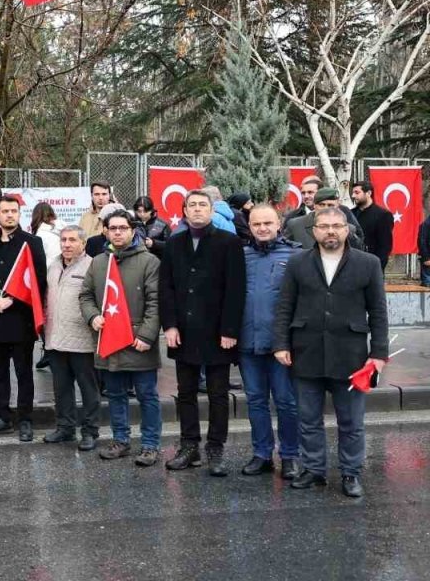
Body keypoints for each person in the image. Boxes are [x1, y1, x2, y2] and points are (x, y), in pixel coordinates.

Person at [274, 207, 388, 498]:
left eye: (337, 225)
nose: (331, 231)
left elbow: (378, 311)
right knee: (308, 418)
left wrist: (379, 353)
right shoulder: (298, 263)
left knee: (351, 421)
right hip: (305, 351)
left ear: (347, 229)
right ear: (314, 231)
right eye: (324, 226)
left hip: (351, 355)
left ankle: (351, 473)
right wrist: (281, 344)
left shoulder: (368, 263)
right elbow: (285, 306)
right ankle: (314, 469)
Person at [160, 190, 246, 477]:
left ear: (212, 210)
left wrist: (229, 329)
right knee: (185, 392)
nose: (197, 210)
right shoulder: (174, 243)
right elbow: (166, 288)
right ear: (184, 211)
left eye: (202, 205)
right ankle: (189, 445)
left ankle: (215, 447)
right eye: (192, 205)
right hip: (183, 330)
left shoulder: (229, 242)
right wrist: (169, 325)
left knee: (217, 393)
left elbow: (236, 289)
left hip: (218, 331)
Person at [80, 209, 163, 466]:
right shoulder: (98, 262)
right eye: (112, 228)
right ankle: (120, 439)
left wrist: (147, 335)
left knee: (147, 396)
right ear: (105, 231)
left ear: (132, 230)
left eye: (122, 228)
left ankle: (150, 444)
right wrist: (93, 316)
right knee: (115, 395)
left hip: (139, 342)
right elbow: (85, 296)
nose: (117, 232)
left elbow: (156, 302)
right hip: (110, 341)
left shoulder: (149, 262)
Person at [239, 205, 302, 479]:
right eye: (256, 224)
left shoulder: (296, 255)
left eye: (268, 223)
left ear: (279, 224)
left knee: (286, 401)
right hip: (248, 343)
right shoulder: (241, 256)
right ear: (249, 227)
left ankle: (290, 455)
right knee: (255, 401)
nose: (262, 228)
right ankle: (262, 453)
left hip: (282, 346)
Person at [0, 195, 46, 440]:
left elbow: (38, 281)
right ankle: (2, 417)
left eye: (13, 211)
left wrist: (12, 300)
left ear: (19, 214)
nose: (9, 215)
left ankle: (25, 419)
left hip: (20, 320)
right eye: (4, 211)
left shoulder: (32, 243)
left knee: (23, 372)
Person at [41, 225, 100, 451]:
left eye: (72, 240)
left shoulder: (93, 265)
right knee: (61, 388)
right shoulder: (54, 265)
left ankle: (90, 431)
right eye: (64, 240)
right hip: (55, 339)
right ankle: (65, 428)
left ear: (83, 244)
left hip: (82, 340)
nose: (66, 244)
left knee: (88, 389)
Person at [284, 188, 364, 250]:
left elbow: (357, 255)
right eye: (321, 205)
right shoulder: (296, 226)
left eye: (330, 205)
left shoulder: (348, 229)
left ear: (338, 206)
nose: (326, 209)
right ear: (314, 205)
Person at [351, 180, 394, 270]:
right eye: (353, 193)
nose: (353, 196)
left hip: (372, 265)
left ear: (368, 193)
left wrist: (377, 267)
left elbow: (385, 245)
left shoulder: (383, 215)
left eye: (357, 192)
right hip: (352, 264)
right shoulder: (351, 214)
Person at [29, 201, 63, 268]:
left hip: (49, 272)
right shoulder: (61, 229)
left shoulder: (41, 235)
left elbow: (50, 259)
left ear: (35, 216)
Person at [419, 212, 430, 287]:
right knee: (427, 284)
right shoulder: (426, 224)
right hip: (428, 260)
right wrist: (426, 257)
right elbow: (422, 241)